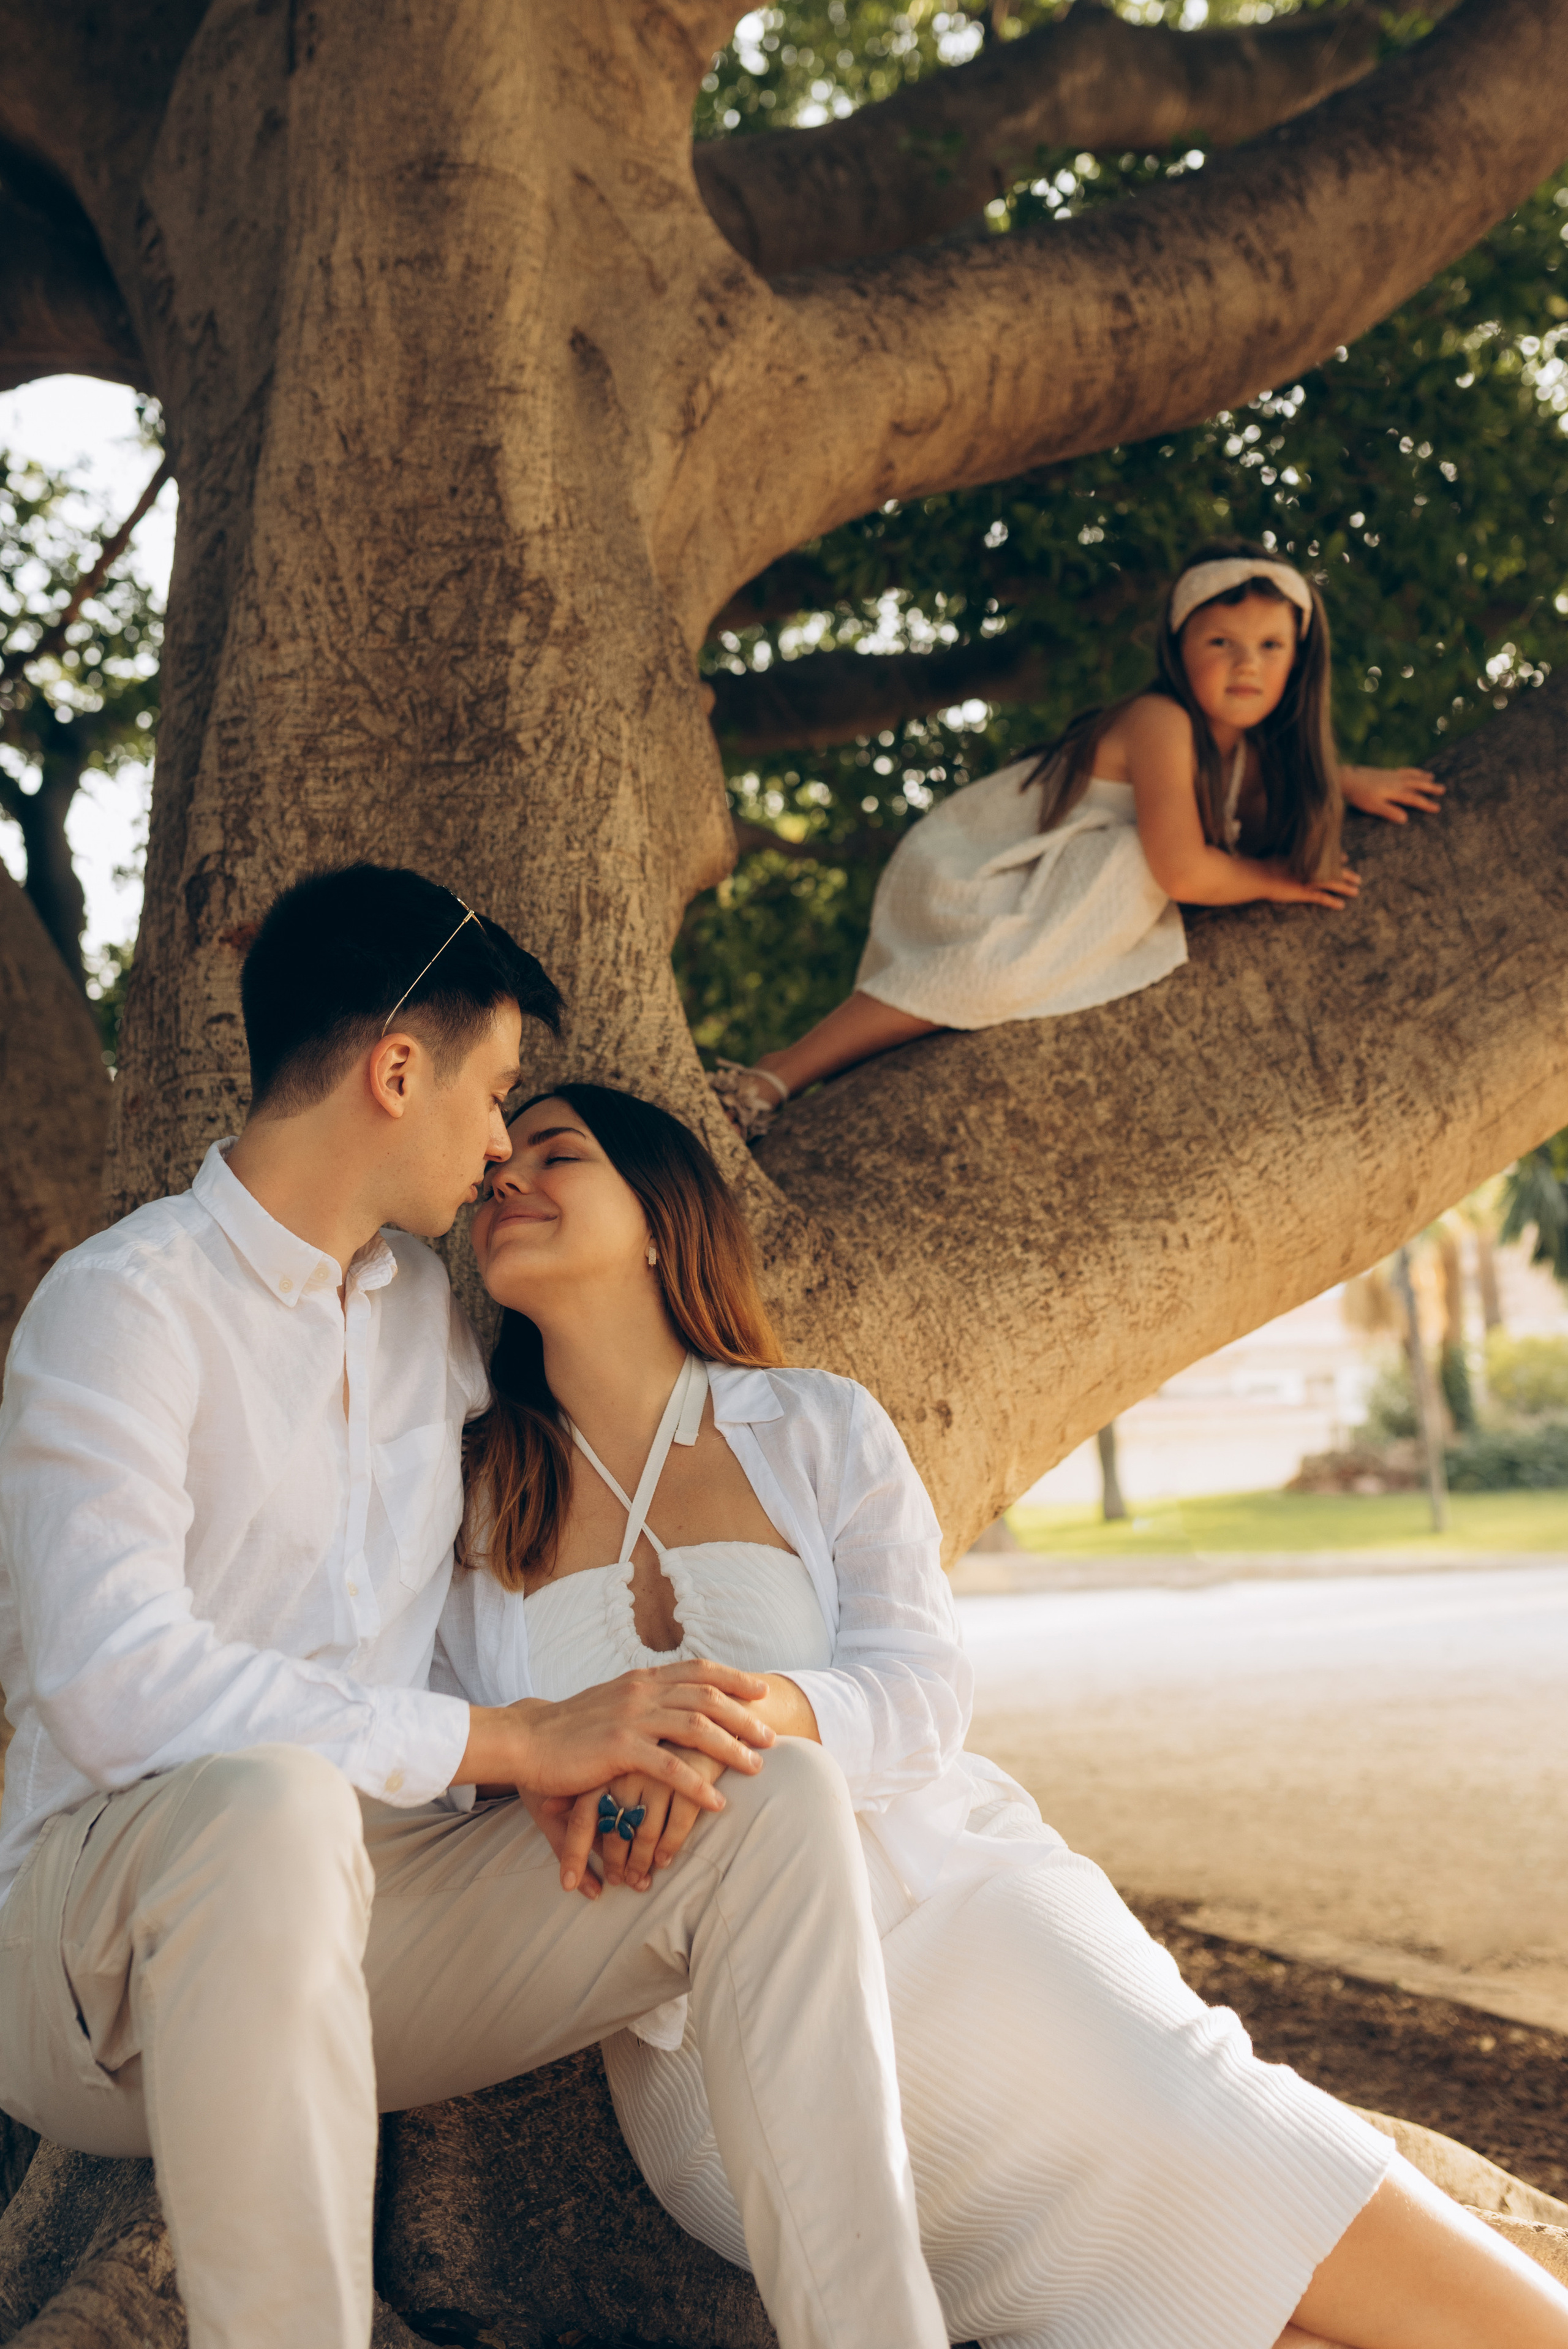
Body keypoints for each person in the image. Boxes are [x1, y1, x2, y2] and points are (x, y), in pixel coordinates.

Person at [442, 1080, 1568, 2349]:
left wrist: (763, 1710)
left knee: (1260, 2187)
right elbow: (441, 1773)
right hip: (704, 2051)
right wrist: (556, 1766)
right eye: (493, 1171)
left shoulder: (812, 1425)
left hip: (968, 1932)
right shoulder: (467, 1501)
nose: (508, 1181)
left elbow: (923, 1687)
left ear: (658, 1217)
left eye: (556, 1153)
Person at [0, 865, 951, 2349]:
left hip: (382, 1915)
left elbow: (455, 1620)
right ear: (396, 1070)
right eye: (496, 1087)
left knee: (766, 1794)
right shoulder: (121, 1307)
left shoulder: (423, 1323)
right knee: (272, 1806)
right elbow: (114, 1683)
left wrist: (566, 1776)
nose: (502, 1137)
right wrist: (513, 1742)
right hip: (94, 1949)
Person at [710, 538, 1444, 1139]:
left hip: (1044, 887)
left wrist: (1343, 780)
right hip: (971, 876)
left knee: (1128, 868)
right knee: (1126, 870)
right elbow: (1185, 870)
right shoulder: (1162, 722)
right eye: (1220, 641)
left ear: (1299, 658)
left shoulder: (1248, 759)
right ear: (1177, 648)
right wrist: (1278, 881)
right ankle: (778, 1072)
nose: (1246, 662)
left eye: (1270, 645)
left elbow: (1268, 791)